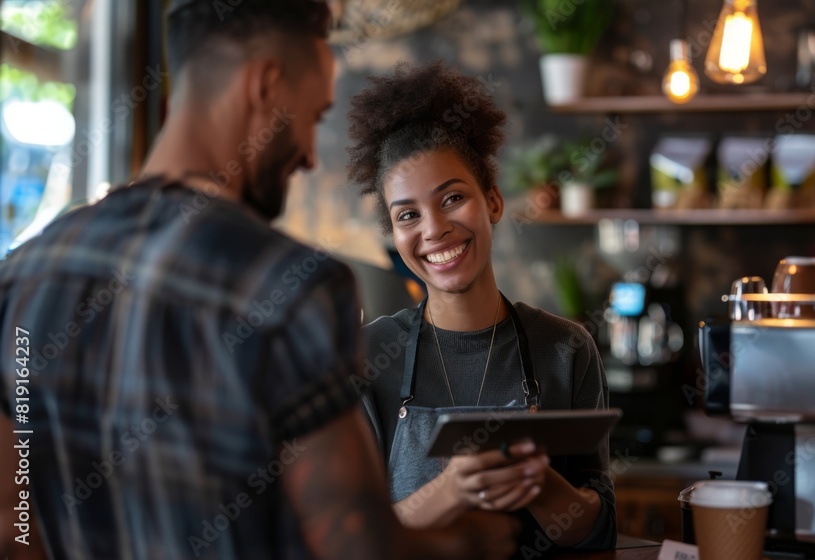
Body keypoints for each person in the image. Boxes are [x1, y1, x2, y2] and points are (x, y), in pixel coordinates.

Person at [0, 2, 517, 559]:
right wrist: (474, 542)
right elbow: (355, 545)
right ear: (267, 85)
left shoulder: (23, 274)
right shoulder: (292, 287)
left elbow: (12, 526)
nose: (309, 159)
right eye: (314, 117)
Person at [347, 61, 617, 556]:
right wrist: (451, 491)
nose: (433, 230)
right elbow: (351, 540)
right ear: (394, 231)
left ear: (492, 201)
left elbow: (595, 532)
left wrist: (541, 484)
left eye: (452, 198)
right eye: (407, 214)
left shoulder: (565, 348)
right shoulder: (367, 356)